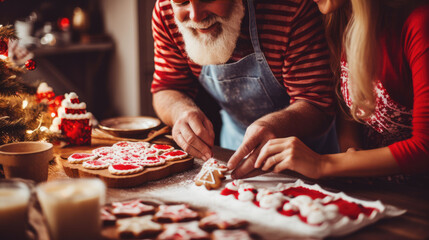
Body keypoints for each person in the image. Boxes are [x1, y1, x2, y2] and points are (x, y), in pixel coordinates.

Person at [242, 0, 429, 179]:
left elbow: (424, 147)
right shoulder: (339, 18)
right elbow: (349, 106)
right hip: (371, 183)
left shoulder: (420, 23)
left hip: (417, 194)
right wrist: (350, 151)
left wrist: (321, 164)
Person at [151, 0, 339, 166]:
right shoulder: (165, 12)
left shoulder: (290, 8)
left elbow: (318, 104)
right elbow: (167, 87)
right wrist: (180, 111)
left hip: (310, 155)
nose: (196, 16)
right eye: (182, 2)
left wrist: (274, 125)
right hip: (232, 147)